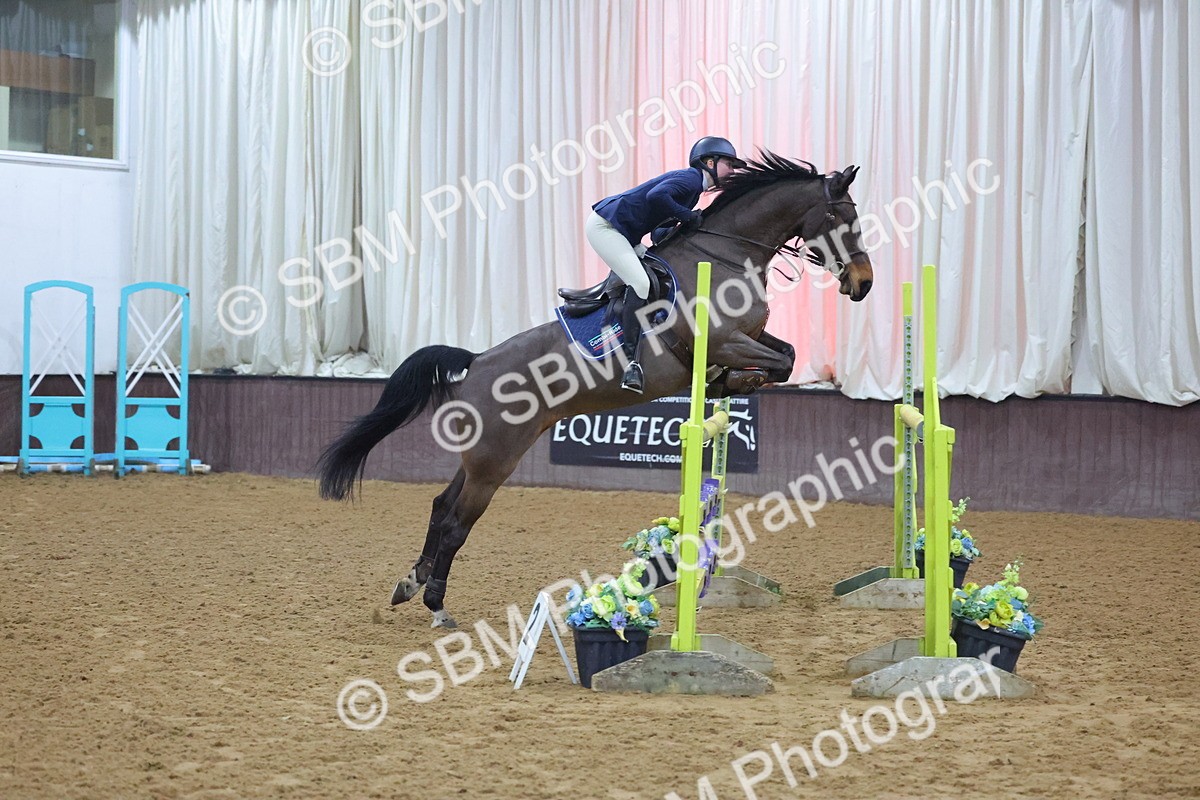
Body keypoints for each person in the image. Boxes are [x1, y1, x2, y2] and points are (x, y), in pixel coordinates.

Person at [586, 136, 745, 393]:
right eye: (730, 164)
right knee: (641, 283)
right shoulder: (691, 178)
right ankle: (630, 365)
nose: (733, 171)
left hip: (625, 233)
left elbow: (659, 228)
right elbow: (656, 195)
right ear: (709, 162)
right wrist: (688, 216)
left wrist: (682, 223)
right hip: (606, 227)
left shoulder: (693, 192)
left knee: (661, 275)